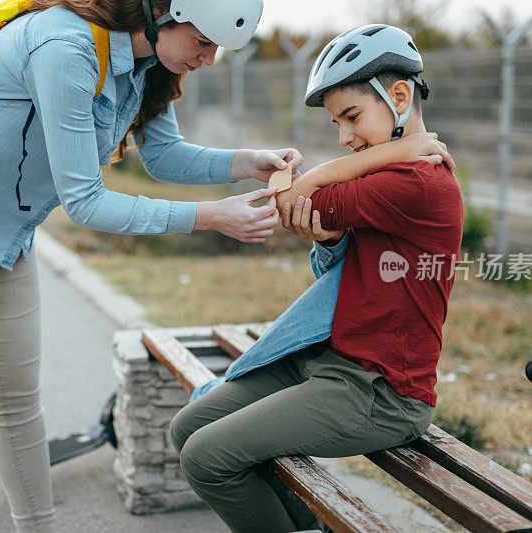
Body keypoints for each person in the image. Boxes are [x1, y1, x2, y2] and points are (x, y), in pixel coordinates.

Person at [0, 0, 297, 530]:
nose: (210, 59)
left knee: (18, 406)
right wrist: (211, 217)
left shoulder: (147, 65)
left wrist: (246, 163)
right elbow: (85, 202)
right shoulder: (65, 46)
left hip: (9, 237)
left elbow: (164, 157)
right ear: (161, 13)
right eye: (204, 42)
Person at [170, 24, 464, 533]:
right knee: (189, 425)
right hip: (328, 360)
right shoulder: (392, 167)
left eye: (352, 117)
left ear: (399, 97)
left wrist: (391, 156)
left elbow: (289, 200)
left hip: (382, 392)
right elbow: (339, 255)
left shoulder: (417, 181)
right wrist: (387, 153)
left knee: (205, 457)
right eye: (336, 124)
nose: (346, 137)